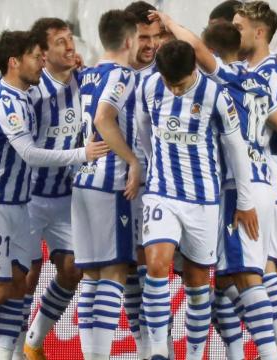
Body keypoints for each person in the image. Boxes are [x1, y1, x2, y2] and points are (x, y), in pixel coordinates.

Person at [0, 30, 108, 360]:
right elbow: (29, 153)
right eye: (36, 56)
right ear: (15, 62)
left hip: (27, 203)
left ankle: (9, 353)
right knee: (0, 288)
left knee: (20, 284)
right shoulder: (8, 98)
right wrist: (83, 154)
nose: (40, 62)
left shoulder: (29, 90)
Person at [151, 11, 277, 359]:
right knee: (226, 282)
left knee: (250, 278)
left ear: (213, 53)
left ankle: (273, 353)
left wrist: (169, 22)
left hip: (238, 188)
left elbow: (195, 46)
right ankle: (244, 352)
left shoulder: (224, 76)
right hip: (265, 182)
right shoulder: (257, 82)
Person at [136, 40, 257, 360]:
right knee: (157, 264)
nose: (174, 91)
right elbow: (143, 129)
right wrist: (151, 166)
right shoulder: (150, 87)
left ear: (194, 70)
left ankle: (193, 355)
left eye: (180, 84)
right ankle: (159, 349)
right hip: (162, 193)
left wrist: (245, 202)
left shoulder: (216, 96)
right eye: (168, 84)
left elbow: (237, 150)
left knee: (198, 284)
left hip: (203, 200)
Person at [234, 2, 277, 358]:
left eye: (240, 26)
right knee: (264, 272)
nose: (235, 32)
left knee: (266, 271)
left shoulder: (271, 72)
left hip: (271, 173)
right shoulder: (250, 68)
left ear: (259, 33)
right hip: (261, 175)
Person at [73, 9, 143, 360]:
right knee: (114, 271)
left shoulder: (86, 74)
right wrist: (133, 161)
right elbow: (104, 116)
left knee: (92, 275)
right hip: (110, 181)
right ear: (129, 40)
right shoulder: (122, 74)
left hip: (83, 180)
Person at [17, 17, 83, 360]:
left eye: (71, 38)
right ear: (43, 52)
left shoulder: (85, 81)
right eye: (60, 42)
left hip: (64, 199)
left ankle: (33, 340)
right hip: (28, 198)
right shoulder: (31, 90)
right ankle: (12, 350)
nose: (70, 46)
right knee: (26, 276)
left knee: (74, 269)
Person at [122, 3, 169, 359]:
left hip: (164, 188)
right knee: (132, 270)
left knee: (158, 269)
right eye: (143, 37)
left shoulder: (169, 71)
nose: (151, 44)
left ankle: (161, 348)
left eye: (155, 37)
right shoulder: (106, 72)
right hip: (123, 188)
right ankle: (147, 349)